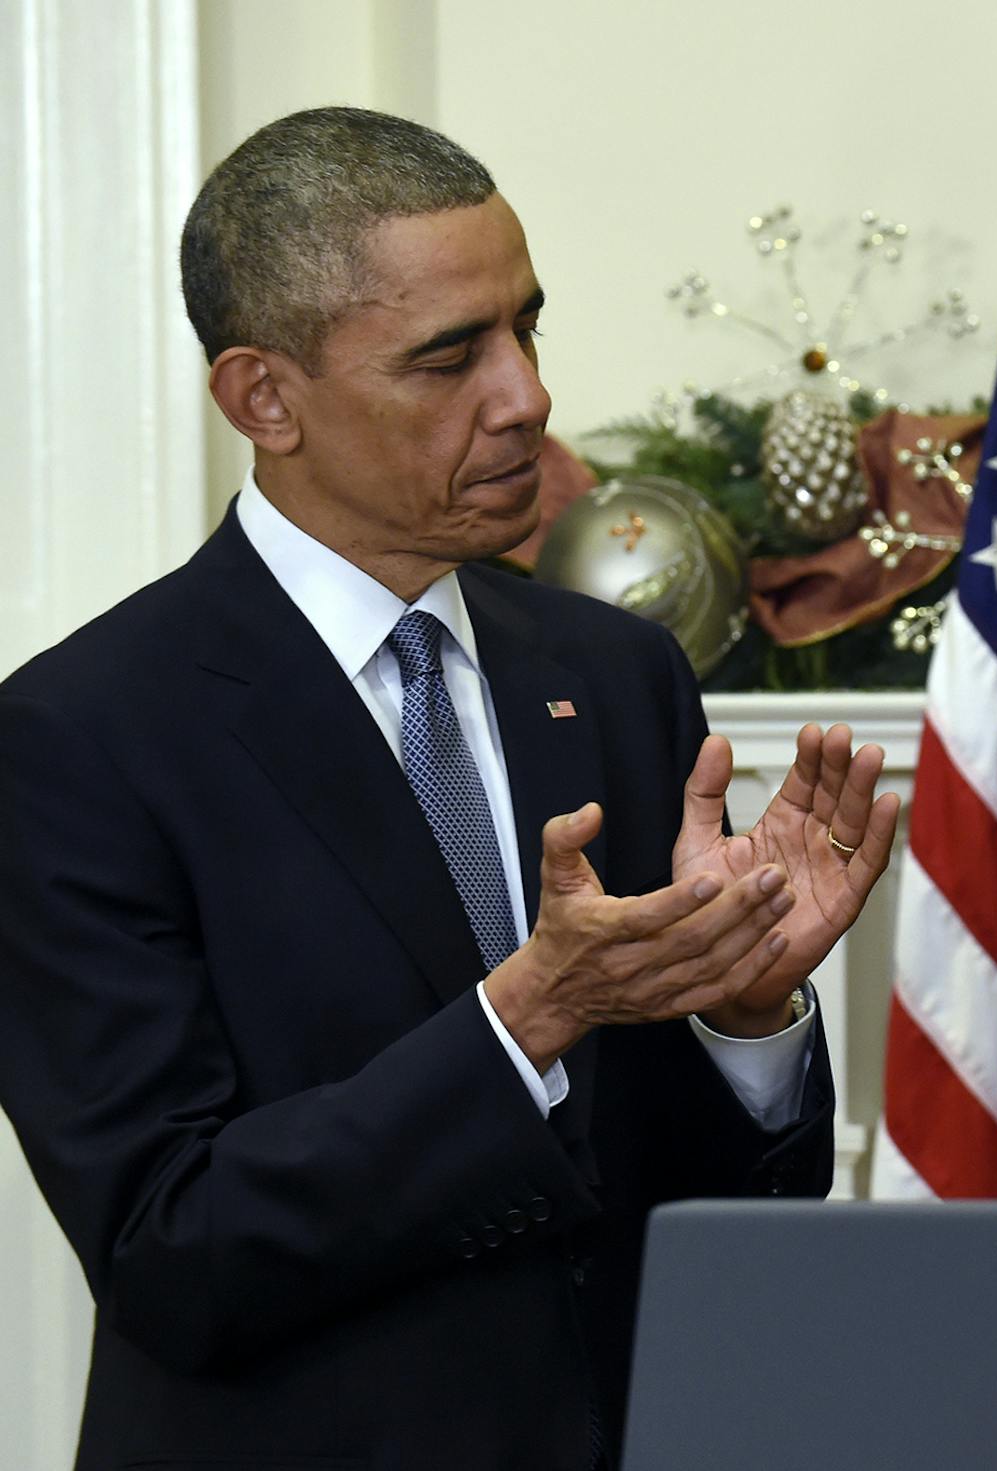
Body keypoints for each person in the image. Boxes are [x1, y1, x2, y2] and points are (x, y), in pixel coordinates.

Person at [0, 107, 901, 1470]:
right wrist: (525, 1016)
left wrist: (747, 1007)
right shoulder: (86, 733)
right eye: (450, 355)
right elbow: (168, 1249)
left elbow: (702, 1202)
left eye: (526, 326)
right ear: (264, 398)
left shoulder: (617, 671)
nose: (526, 394)